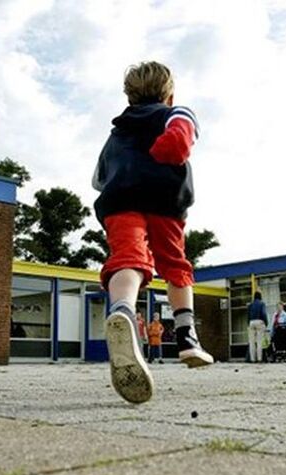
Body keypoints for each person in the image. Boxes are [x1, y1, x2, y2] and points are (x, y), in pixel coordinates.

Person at [92, 61, 213, 404]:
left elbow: (99, 174)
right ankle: (188, 338)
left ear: (129, 96)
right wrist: (162, 152)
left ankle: (124, 311)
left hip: (119, 201)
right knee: (175, 265)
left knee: (127, 258)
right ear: (169, 94)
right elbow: (178, 142)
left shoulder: (118, 130)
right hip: (164, 202)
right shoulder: (176, 113)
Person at [247, 291, 268, 363]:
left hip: (251, 322)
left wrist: (248, 323)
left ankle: (252, 359)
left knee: (252, 342)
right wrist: (266, 322)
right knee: (259, 342)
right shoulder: (262, 304)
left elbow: (248, 315)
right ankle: (259, 359)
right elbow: (264, 313)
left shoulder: (250, 305)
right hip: (259, 321)